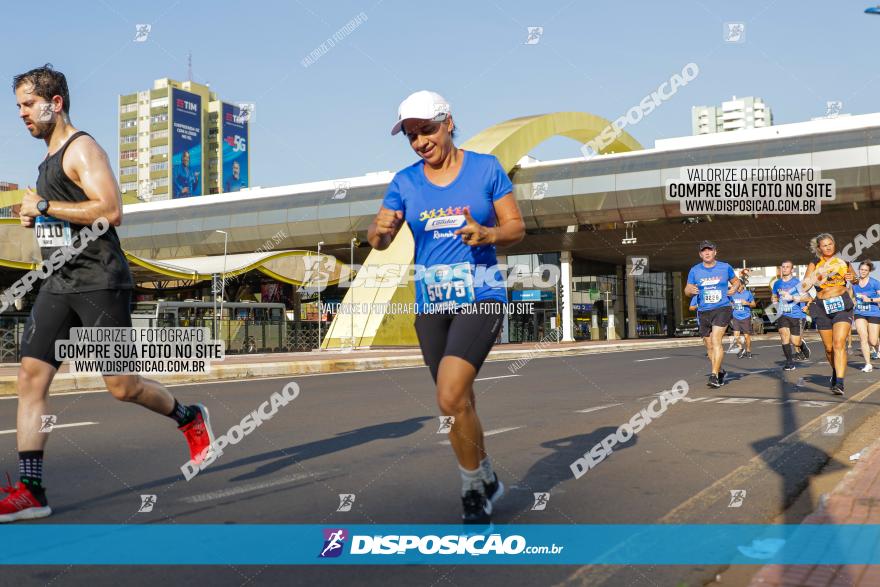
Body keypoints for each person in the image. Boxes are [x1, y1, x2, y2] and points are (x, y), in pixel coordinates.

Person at [2, 65, 214, 522]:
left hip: (100, 281)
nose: (19, 113)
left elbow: (110, 210)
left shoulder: (83, 148)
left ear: (54, 102)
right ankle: (30, 491)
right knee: (30, 379)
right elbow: (68, 215)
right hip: (59, 282)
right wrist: (39, 217)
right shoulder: (47, 160)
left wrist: (41, 205)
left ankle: (189, 416)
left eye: (25, 103)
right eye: (16, 104)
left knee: (123, 387)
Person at [368, 90, 525, 525]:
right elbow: (380, 237)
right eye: (412, 135)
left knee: (449, 396)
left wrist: (488, 235)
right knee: (462, 403)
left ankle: (472, 487)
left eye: (427, 130)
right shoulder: (405, 182)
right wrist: (377, 232)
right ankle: (486, 473)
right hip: (432, 302)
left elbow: (516, 227)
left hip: (481, 294)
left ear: (449, 122)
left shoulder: (485, 169)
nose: (420, 141)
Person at [802, 233, 854, 395]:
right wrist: (817, 276)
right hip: (821, 306)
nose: (828, 247)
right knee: (829, 348)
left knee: (839, 343)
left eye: (830, 244)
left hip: (841, 305)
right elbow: (804, 286)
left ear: (834, 244)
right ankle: (835, 370)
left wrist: (854, 277)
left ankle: (839, 382)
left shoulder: (844, 262)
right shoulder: (815, 263)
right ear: (819, 248)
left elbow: (855, 279)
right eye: (824, 245)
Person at [684, 241, 739, 388]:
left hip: (722, 308)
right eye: (704, 251)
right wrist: (690, 291)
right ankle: (720, 371)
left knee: (716, 340)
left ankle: (714, 375)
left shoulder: (725, 267)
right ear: (700, 254)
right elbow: (687, 289)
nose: (707, 253)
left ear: (715, 252)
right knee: (708, 346)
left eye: (710, 250)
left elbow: (736, 281)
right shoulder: (694, 270)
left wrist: (734, 288)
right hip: (703, 311)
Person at [771, 260, 812, 371]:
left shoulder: (797, 283)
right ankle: (789, 363)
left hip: (797, 315)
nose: (784, 269)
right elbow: (774, 296)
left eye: (787, 267)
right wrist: (775, 304)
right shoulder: (777, 283)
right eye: (783, 267)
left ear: (792, 270)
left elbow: (808, 298)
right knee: (784, 335)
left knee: (795, 341)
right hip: (783, 314)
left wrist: (792, 297)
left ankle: (801, 345)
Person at [852, 261, 880, 372]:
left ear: (869, 271)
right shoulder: (854, 283)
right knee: (863, 338)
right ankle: (868, 364)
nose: (863, 271)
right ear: (859, 269)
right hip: (859, 313)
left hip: (873, 312)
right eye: (861, 269)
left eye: (865, 270)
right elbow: (851, 296)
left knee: (872, 341)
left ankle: (877, 346)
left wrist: (870, 299)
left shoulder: (874, 283)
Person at [730, 281, 756, 359]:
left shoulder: (748, 293)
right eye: (736, 286)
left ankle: (748, 350)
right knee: (736, 335)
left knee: (746, 336)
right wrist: (732, 305)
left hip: (745, 317)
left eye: (739, 286)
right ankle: (740, 349)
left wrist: (747, 303)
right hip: (736, 317)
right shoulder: (733, 294)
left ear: (742, 286)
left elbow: (754, 304)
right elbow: (730, 303)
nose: (737, 288)